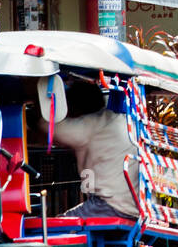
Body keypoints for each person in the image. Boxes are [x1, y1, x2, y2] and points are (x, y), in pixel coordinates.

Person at [31, 81, 138, 219]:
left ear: (75, 107)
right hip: (133, 207)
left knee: (58, 228)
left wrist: (33, 92)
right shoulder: (119, 120)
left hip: (111, 206)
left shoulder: (91, 125)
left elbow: (48, 126)